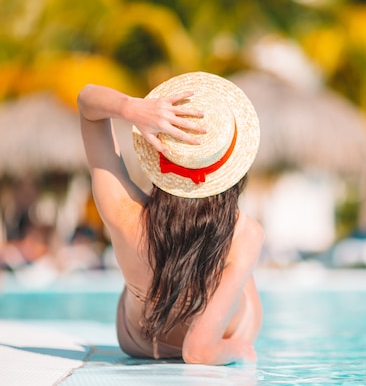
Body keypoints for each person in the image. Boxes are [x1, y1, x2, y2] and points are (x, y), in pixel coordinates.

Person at [78, 72, 263, 365]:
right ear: (233, 170)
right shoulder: (245, 233)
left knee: (162, 265)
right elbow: (198, 352)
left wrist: (131, 108)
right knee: (236, 255)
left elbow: (87, 101)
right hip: (226, 333)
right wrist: (237, 349)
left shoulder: (124, 210)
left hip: (139, 342)